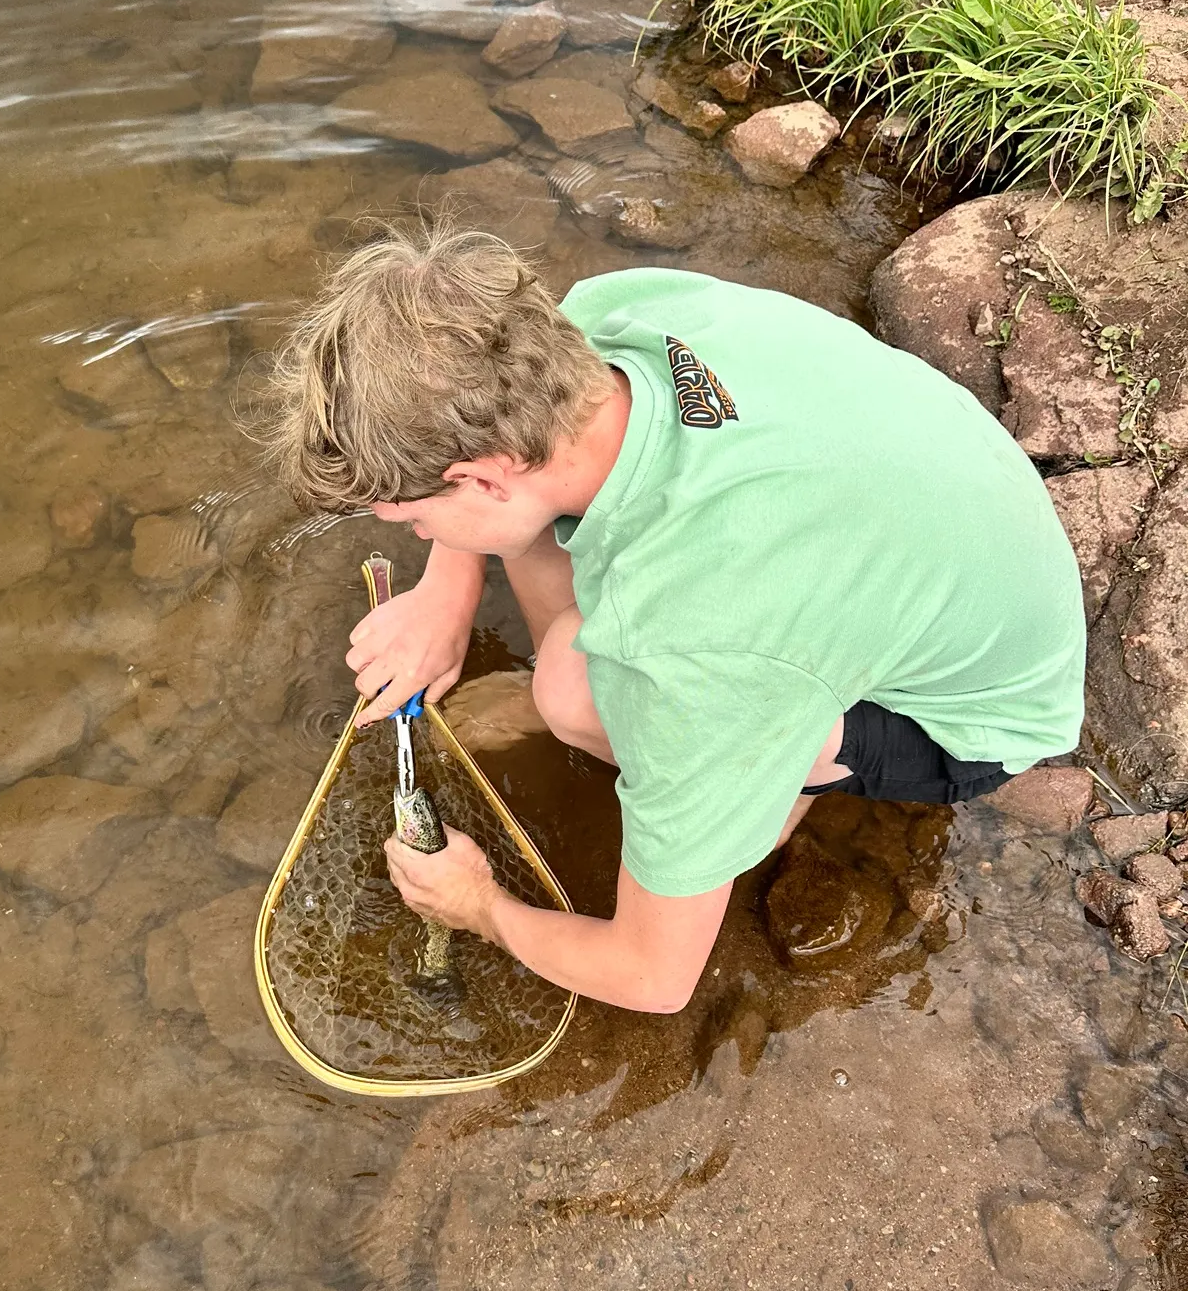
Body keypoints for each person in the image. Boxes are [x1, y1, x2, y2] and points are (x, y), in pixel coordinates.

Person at [265, 221, 1085, 1014]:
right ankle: (716, 753)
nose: (417, 535)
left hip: (970, 716)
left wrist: (480, 907)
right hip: (947, 532)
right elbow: (513, 495)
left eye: (413, 521)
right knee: (551, 551)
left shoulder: (698, 644)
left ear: (481, 477)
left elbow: (653, 979)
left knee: (575, 694)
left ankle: (768, 787)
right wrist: (450, 592)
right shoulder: (608, 321)